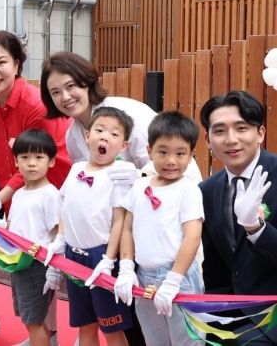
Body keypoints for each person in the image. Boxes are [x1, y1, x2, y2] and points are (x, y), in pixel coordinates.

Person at [0, 30, 70, 345]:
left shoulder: (34, 102)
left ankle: (60, 335)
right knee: (28, 268)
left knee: (50, 264)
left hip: (50, 186)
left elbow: (32, 164)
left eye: (1, 62)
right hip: (17, 194)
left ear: (17, 63)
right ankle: (44, 334)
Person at [43, 107, 134, 346]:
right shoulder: (76, 169)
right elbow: (66, 207)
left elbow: (119, 222)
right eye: (100, 130)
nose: (105, 137)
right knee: (85, 325)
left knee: (112, 328)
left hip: (101, 257)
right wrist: (60, 241)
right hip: (74, 255)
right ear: (87, 135)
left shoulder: (118, 176)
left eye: (114, 134)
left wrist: (109, 260)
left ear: (124, 146)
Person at [41, 51, 202, 181]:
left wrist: (137, 176)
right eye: (55, 92)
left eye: (70, 86)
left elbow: (163, 164)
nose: (65, 97)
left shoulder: (128, 114)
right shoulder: (72, 137)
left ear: (87, 82)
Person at [115, 112, 204, 346]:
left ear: (191, 155)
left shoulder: (189, 189)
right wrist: (126, 267)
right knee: (155, 341)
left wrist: (174, 279)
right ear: (149, 150)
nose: (171, 160)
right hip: (143, 276)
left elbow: (193, 236)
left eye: (180, 153)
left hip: (179, 276)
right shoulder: (139, 186)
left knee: (187, 341)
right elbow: (127, 229)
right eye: (163, 152)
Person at [199, 91, 277, 344]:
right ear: (208, 140)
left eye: (241, 128)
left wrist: (256, 229)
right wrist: (213, 318)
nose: (231, 140)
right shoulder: (207, 189)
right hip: (229, 321)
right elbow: (215, 267)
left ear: (260, 133)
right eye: (219, 131)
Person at [0, 129, 63, 346]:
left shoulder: (50, 194)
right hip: (19, 264)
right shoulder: (18, 194)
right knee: (31, 319)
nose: (32, 163)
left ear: (51, 161)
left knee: (33, 321)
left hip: (38, 266)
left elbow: (57, 232)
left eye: (38, 157)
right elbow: (12, 228)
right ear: (16, 162)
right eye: (25, 158)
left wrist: (55, 268)